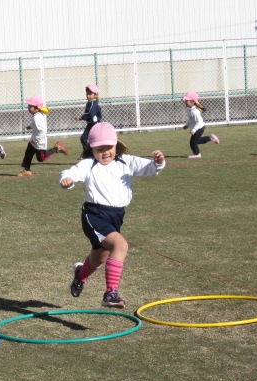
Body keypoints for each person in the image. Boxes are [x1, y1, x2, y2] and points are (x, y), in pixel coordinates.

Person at [60, 122, 165, 308]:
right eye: (100, 149)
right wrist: (67, 180)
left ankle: (80, 276)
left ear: (116, 145)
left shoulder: (126, 161)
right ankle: (110, 293)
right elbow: (72, 172)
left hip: (116, 216)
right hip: (94, 215)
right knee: (120, 245)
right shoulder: (88, 164)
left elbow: (149, 169)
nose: (106, 152)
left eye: (109, 148)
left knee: (101, 256)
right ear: (91, 148)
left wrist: (157, 162)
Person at [17, 96, 68, 177]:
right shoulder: (38, 114)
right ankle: (26, 169)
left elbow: (43, 130)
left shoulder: (37, 117)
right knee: (28, 152)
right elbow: (37, 125)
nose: (28, 107)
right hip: (34, 140)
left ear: (37, 108)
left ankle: (57, 148)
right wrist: (31, 126)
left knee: (41, 158)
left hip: (39, 142)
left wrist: (36, 140)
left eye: (30, 106)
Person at [182, 91, 220, 158]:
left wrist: (194, 129)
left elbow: (199, 122)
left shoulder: (195, 111)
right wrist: (187, 125)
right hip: (198, 128)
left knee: (192, 142)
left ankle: (197, 154)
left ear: (192, 102)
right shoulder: (189, 110)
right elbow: (190, 119)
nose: (185, 101)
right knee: (196, 141)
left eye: (186, 100)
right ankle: (210, 138)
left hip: (199, 128)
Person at [74, 83, 102, 152]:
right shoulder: (89, 103)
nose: (88, 95)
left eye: (90, 94)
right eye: (87, 94)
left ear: (95, 95)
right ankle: (88, 153)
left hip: (95, 124)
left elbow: (90, 114)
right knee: (84, 138)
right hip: (90, 124)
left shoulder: (93, 103)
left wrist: (80, 117)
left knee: (94, 139)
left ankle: (92, 153)